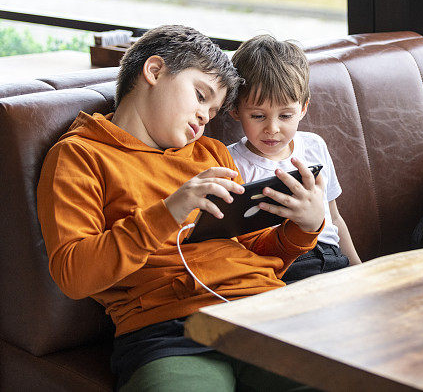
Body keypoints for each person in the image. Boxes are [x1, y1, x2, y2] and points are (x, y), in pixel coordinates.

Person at [37, 25, 323, 391]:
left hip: (264, 310)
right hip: (164, 331)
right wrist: (168, 212)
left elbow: (255, 251)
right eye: (200, 96)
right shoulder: (79, 155)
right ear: (154, 72)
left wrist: (303, 228)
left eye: (214, 109)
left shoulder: (212, 154)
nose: (205, 116)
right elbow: (74, 275)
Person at [228, 35, 361, 282]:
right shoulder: (230, 162)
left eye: (286, 115)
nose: (273, 128)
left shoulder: (313, 146)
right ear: (235, 109)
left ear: (303, 108)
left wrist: (359, 269)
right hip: (282, 266)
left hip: (332, 256)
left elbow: (334, 217)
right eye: (258, 116)